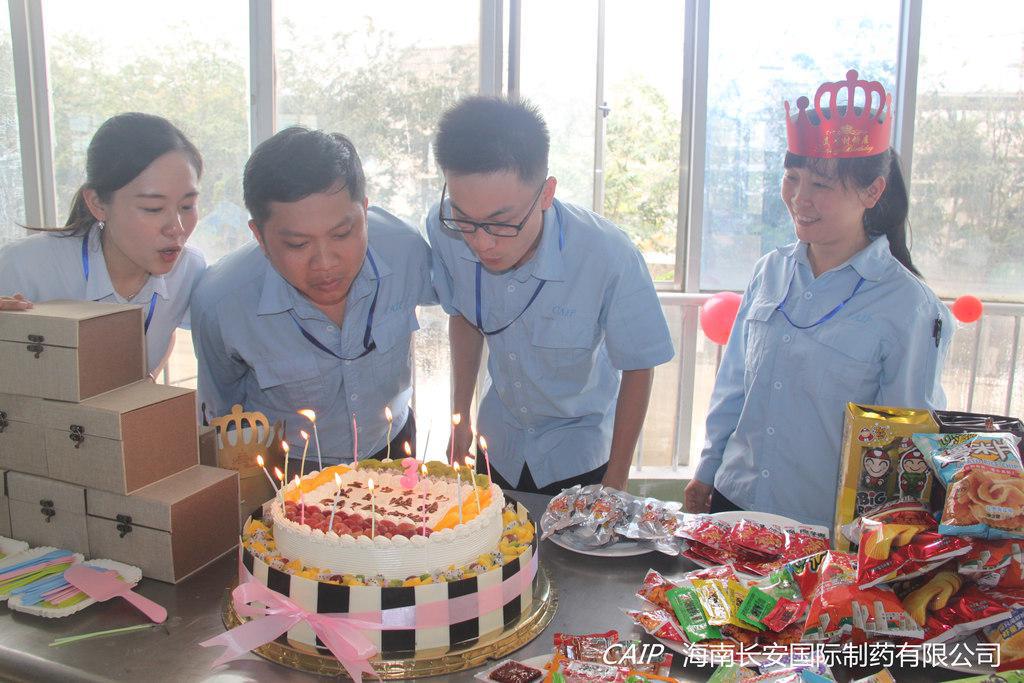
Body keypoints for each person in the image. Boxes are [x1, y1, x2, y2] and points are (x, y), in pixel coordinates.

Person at [685, 70, 954, 529]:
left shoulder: (907, 306)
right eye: (792, 178)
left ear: (873, 191)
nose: (799, 198)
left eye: (821, 186)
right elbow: (734, 386)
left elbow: (903, 443)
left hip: (822, 528)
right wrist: (707, 469)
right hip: (736, 503)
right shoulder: (770, 271)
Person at [427, 96, 674, 494]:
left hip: (579, 454)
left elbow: (639, 365)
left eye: (501, 223)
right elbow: (465, 317)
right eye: (464, 219)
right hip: (499, 444)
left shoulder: (606, 254)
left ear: (546, 194)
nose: (482, 243)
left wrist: (615, 482)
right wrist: (460, 420)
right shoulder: (443, 230)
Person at [190, 127, 435, 464]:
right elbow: (221, 417)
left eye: (342, 233)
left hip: (393, 444)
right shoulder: (221, 302)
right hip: (293, 465)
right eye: (298, 244)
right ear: (259, 236)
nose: (325, 263)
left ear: (364, 211)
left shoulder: (404, 250)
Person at [0, 113, 205, 376]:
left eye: (187, 206)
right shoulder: (25, 267)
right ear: (97, 204)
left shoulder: (189, 269)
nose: (176, 228)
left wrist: (149, 381)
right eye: (153, 208)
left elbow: (165, 327)